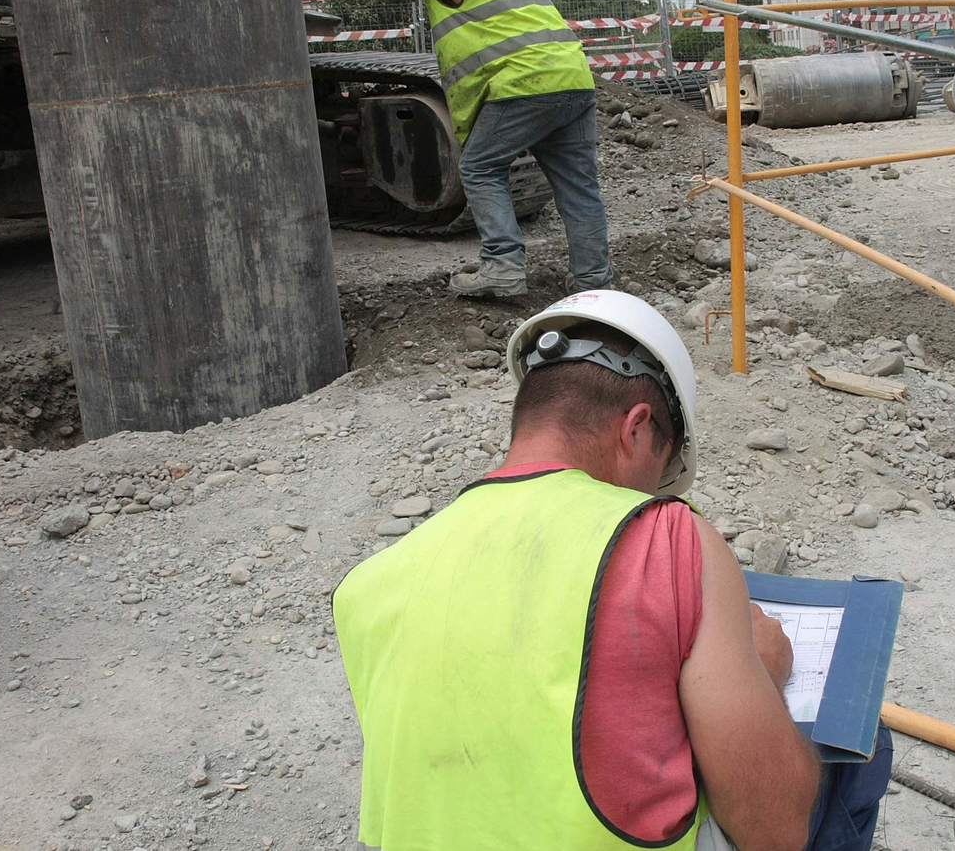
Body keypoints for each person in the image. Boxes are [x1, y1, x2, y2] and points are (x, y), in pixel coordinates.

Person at [332, 290, 893, 851]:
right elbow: (774, 833)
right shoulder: (668, 538)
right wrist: (766, 675)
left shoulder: (368, 586)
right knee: (860, 747)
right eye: (662, 467)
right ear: (636, 429)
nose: (656, 492)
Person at [279, 0, 609, 299]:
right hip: (574, 80)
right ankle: (594, 282)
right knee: (579, 188)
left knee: (479, 167)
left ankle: (503, 267)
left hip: (525, 83)